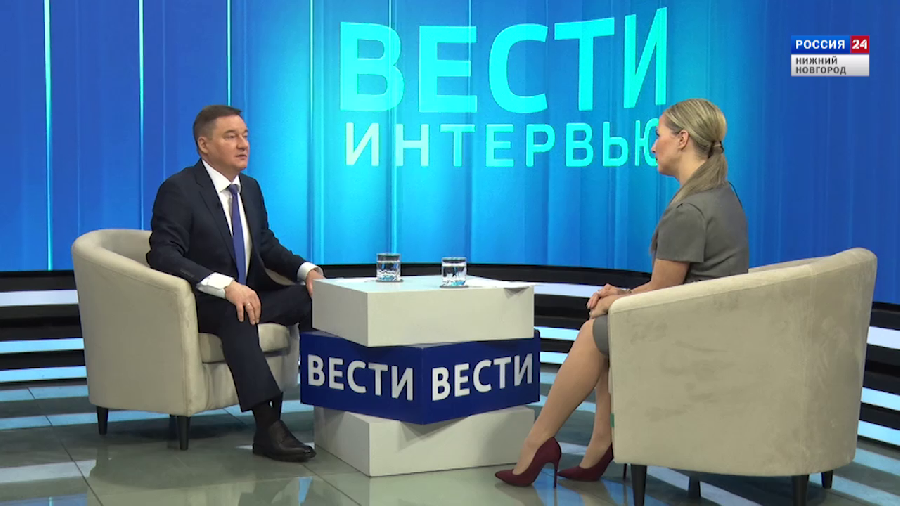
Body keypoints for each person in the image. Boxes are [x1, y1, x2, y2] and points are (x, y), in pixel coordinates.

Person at [495, 98, 749, 486]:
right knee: (608, 327)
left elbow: (664, 290)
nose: (653, 146)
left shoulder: (690, 210)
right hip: (710, 324)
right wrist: (622, 295)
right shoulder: (721, 194)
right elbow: (677, 286)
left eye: (658, 136)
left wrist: (616, 301)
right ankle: (601, 443)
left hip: (695, 335)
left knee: (594, 331)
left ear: (682, 139)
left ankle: (538, 442)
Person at [146, 105, 324, 463]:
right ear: (204, 145)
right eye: (231, 137)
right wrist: (225, 285)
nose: (243, 144)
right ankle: (268, 427)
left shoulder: (250, 188)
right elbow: (162, 253)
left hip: (251, 293)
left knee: (314, 300)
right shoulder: (179, 189)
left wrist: (307, 271)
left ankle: (328, 402)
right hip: (203, 301)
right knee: (238, 312)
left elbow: (266, 245)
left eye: (245, 136)